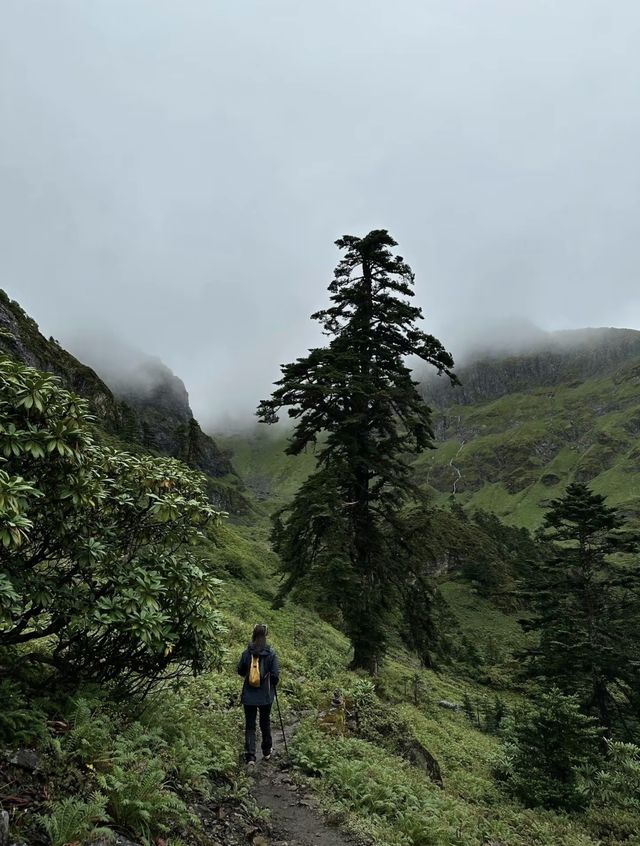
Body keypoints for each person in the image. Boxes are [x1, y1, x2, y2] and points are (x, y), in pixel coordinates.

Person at [237, 623, 280, 766]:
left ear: (253, 634)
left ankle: (250, 756)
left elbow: (240, 671)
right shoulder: (271, 653)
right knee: (264, 722)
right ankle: (266, 751)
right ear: (265, 636)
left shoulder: (247, 652)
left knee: (250, 725)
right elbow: (275, 676)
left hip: (249, 695)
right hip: (265, 695)